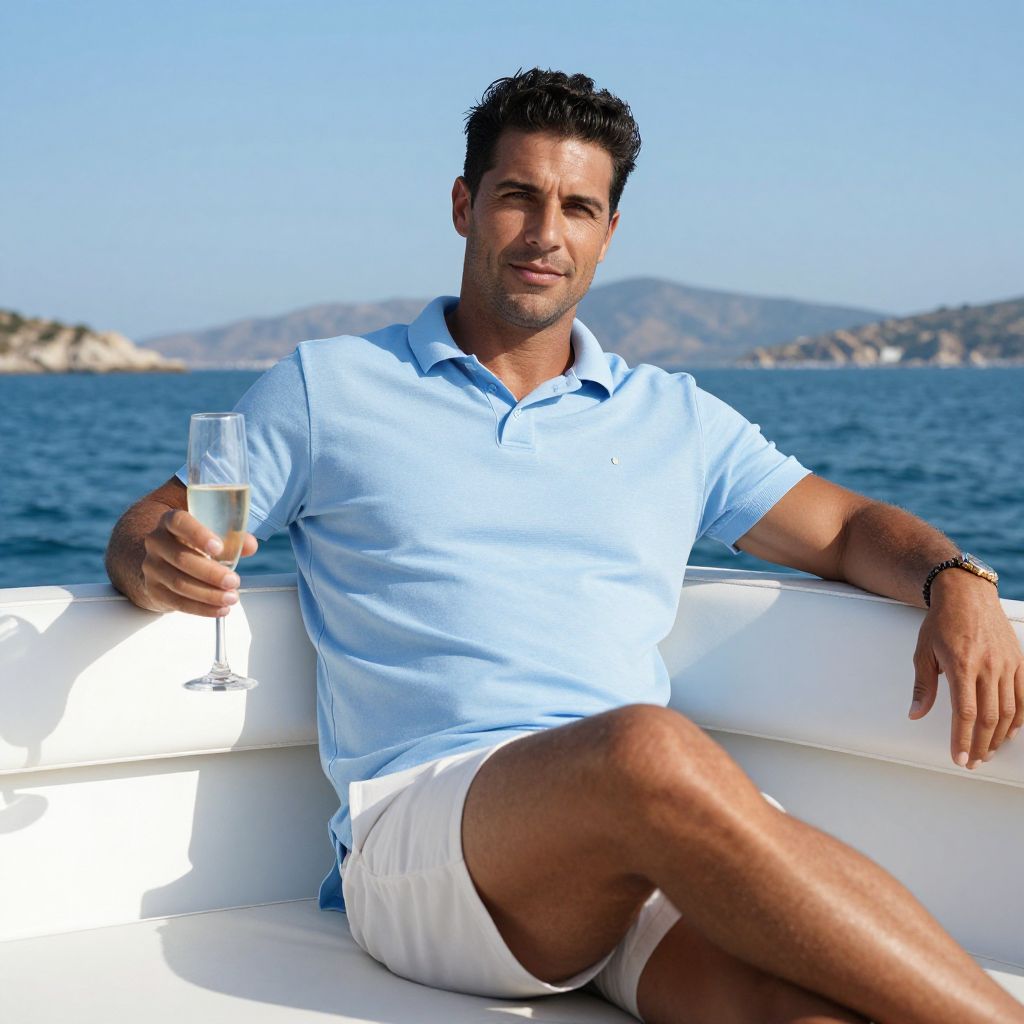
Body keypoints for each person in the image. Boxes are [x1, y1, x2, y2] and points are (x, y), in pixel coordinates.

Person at [106, 69, 1024, 1024]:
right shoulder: (330, 386)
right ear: (464, 206)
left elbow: (841, 529)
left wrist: (954, 578)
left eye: (580, 207)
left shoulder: (672, 416)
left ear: (609, 234)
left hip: (638, 839)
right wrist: (156, 558)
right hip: (427, 836)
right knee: (647, 748)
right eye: (519, 197)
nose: (548, 233)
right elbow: (151, 524)